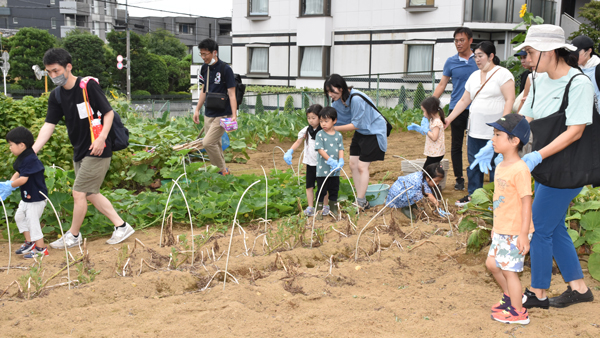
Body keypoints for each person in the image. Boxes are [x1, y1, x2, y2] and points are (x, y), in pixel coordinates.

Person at [507, 24, 594, 309]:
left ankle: (538, 292)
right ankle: (579, 289)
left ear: (549, 51)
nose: (528, 58)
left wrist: (536, 156)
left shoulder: (578, 83)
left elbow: (575, 131)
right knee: (554, 226)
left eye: (531, 52)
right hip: (547, 165)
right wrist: (504, 138)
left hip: (568, 167)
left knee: (539, 227)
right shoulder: (538, 79)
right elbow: (527, 119)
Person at [34, 48, 135, 249]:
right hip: (80, 148)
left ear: (68, 67)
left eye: (56, 71)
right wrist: (33, 150)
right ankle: (121, 226)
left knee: (79, 193)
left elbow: (108, 113)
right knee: (89, 192)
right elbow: (49, 124)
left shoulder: (87, 86)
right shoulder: (56, 96)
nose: (53, 76)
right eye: (49, 72)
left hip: (98, 147)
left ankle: (73, 235)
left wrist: (101, 139)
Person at [444, 41, 515, 207]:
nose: (477, 59)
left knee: (495, 165)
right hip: (475, 129)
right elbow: (464, 100)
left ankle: (497, 198)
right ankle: (474, 196)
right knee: (474, 163)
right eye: (475, 56)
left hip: (495, 131)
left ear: (491, 56)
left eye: (480, 56)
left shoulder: (503, 74)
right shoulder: (474, 76)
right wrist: (449, 119)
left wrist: (502, 126)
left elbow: (509, 99)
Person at [485, 114, 534, 325]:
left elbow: (526, 202)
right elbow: (501, 201)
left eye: (498, 135)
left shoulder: (520, 169)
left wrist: (523, 233)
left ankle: (518, 312)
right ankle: (510, 296)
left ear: (514, 141)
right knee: (492, 264)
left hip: (515, 231)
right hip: (502, 228)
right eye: (493, 134)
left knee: (509, 270)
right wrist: (496, 227)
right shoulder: (501, 165)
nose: (493, 139)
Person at [324, 74, 387, 210]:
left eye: (331, 91)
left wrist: (332, 128)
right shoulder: (336, 103)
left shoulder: (356, 99)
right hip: (362, 132)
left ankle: (360, 201)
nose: (330, 94)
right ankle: (361, 199)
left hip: (373, 131)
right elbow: (335, 120)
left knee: (362, 167)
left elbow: (356, 124)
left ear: (341, 88)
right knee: (353, 164)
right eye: (327, 92)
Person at [433, 27, 479, 191]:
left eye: (462, 40)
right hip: (457, 109)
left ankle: (478, 175)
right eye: (456, 40)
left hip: (478, 109)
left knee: (477, 142)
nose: (458, 44)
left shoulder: (479, 59)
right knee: (456, 144)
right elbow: (442, 84)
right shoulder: (451, 61)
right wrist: (431, 102)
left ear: (470, 41)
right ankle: (459, 178)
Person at [192, 38, 237, 176]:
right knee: (215, 143)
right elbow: (204, 90)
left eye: (206, 54)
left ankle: (221, 170)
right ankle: (222, 171)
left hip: (223, 113)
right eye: (201, 54)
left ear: (214, 52)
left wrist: (234, 115)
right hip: (209, 112)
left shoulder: (225, 69)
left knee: (208, 143)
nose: (203, 57)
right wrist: (197, 109)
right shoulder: (205, 68)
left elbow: (232, 93)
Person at [2, 127, 49, 259]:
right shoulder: (24, 157)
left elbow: (23, 179)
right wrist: (9, 185)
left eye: (11, 145)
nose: (10, 148)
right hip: (27, 197)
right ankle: (30, 243)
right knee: (19, 217)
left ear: (21, 145)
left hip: (36, 198)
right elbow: (19, 172)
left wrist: (10, 185)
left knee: (32, 221)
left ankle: (41, 249)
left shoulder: (31, 159)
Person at [283, 104, 329, 216]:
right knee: (309, 186)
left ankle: (325, 206)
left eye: (314, 118)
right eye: (309, 118)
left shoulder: (324, 131)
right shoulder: (306, 130)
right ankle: (310, 207)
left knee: (323, 186)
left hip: (322, 163)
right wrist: (290, 151)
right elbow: (298, 142)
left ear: (320, 117)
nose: (311, 121)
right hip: (310, 163)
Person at [314, 107, 344, 220]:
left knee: (334, 189)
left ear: (334, 120)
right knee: (321, 190)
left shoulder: (338, 135)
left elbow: (341, 149)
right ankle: (319, 211)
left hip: (335, 170)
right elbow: (320, 149)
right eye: (321, 121)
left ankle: (334, 209)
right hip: (323, 169)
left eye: (326, 121)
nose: (323, 124)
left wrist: (340, 161)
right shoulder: (320, 134)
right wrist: (330, 160)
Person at [407, 96, 446, 168]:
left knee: (426, 172)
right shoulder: (432, 120)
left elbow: (434, 137)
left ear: (430, 110)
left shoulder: (436, 122)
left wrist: (426, 130)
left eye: (424, 111)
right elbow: (430, 133)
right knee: (431, 171)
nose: (423, 114)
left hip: (435, 154)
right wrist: (420, 129)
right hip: (434, 153)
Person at [571, 35, 600, 111]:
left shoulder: (597, 67)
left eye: (577, 52)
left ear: (589, 51)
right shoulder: (573, 68)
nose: (574, 56)